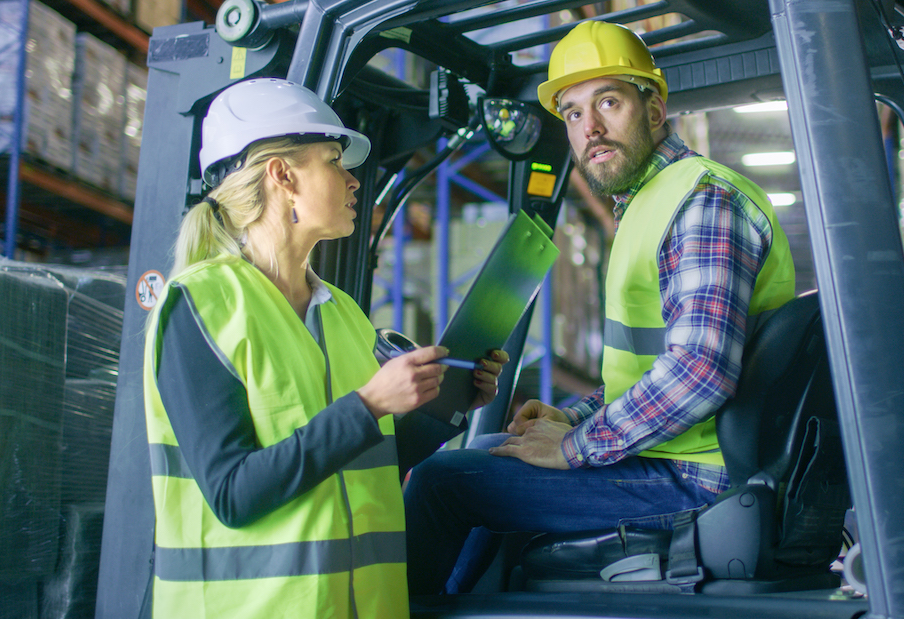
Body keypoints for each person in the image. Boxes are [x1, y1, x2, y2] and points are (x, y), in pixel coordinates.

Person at [403, 20, 795, 594]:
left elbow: (700, 371)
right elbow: (652, 363)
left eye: (608, 101)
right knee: (490, 449)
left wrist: (575, 448)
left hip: (702, 477)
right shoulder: (647, 205)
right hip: (679, 459)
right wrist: (574, 419)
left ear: (655, 110)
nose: (591, 128)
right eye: (573, 113)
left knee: (441, 481)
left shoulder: (703, 202)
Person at [142, 78, 505, 619]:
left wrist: (445, 404)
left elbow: (370, 464)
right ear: (282, 175)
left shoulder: (342, 312)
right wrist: (370, 404)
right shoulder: (201, 304)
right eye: (334, 161)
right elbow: (233, 494)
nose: (353, 180)